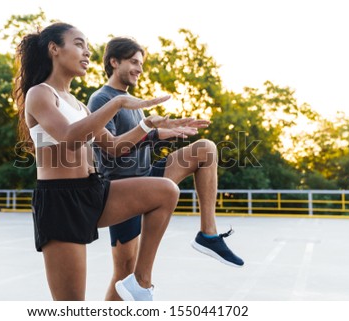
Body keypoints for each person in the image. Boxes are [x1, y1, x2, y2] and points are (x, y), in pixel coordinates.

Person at [13, 22, 209, 301]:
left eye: (88, 48)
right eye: (79, 44)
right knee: (71, 308)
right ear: (54, 49)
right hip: (61, 201)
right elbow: (69, 139)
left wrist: (147, 127)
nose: (87, 53)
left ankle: (140, 283)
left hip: (94, 190)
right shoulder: (41, 94)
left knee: (166, 191)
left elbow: (115, 147)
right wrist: (116, 104)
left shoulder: (79, 105)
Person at [87, 37, 245, 301]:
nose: (139, 68)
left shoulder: (132, 100)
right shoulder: (101, 99)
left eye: (141, 63)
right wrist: (153, 132)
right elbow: (111, 149)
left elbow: (142, 137)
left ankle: (208, 234)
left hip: (149, 176)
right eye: (134, 62)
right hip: (123, 188)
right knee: (124, 273)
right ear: (114, 62)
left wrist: (164, 133)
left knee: (205, 149)